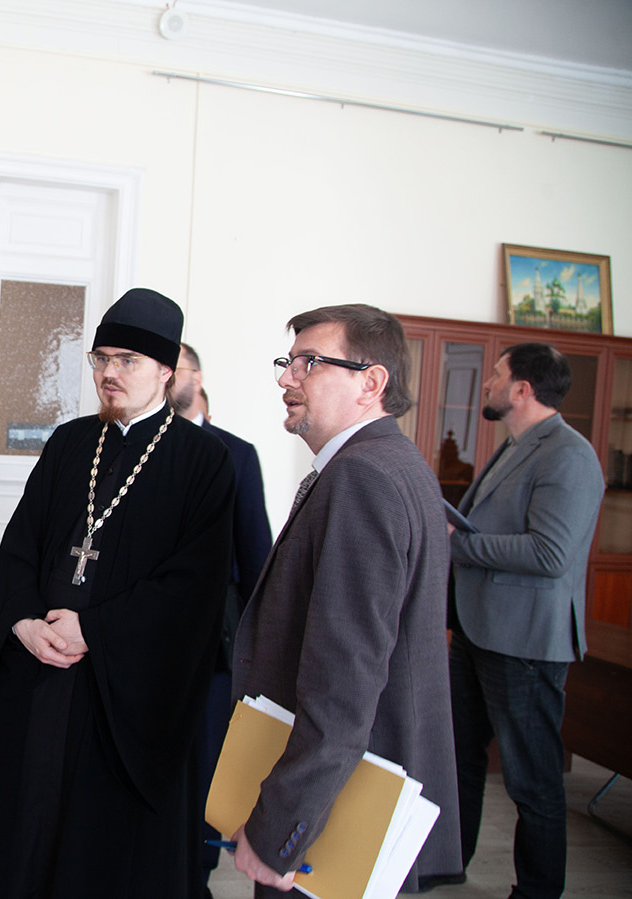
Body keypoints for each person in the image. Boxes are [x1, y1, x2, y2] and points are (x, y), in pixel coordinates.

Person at [0, 288, 237, 899]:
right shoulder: (71, 442)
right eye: (101, 358)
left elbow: (193, 588)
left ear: (167, 370)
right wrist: (24, 622)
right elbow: (20, 547)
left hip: (124, 692)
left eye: (128, 360)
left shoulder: (204, 461)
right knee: (19, 825)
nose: (109, 372)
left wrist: (94, 630)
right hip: (39, 673)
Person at [229, 304, 462, 895]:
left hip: (333, 809)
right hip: (351, 785)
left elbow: (343, 683)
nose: (287, 378)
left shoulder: (363, 477)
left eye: (309, 362)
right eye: (288, 362)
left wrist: (280, 830)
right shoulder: (390, 461)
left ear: (371, 382)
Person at [448, 343, 604, 899]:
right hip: (477, 630)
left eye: (496, 375)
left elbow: (550, 554)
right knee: (460, 759)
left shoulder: (570, 454)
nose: (488, 383)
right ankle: (449, 863)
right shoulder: (515, 445)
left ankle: (537, 891)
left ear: (522, 389)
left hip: (525, 643)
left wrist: (458, 544)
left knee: (531, 779)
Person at [171, 343, 273, 897]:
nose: (169, 378)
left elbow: (257, 555)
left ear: (197, 377)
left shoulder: (237, 454)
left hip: (215, 640)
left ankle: (197, 876)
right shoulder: (133, 448)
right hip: (143, 640)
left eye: (178, 368)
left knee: (206, 760)